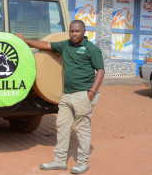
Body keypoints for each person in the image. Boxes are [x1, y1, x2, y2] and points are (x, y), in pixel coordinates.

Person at [17, 20, 105, 174]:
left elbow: (100, 71)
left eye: (77, 31)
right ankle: (59, 161)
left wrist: (91, 92)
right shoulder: (66, 45)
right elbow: (45, 45)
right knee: (62, 127)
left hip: (83, 95)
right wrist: (25, 41)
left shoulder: (92, 49)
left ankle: (83, 163)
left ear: (84, 32)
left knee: (83, 129)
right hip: (66, 95)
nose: (74, 34)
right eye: (72, 31)